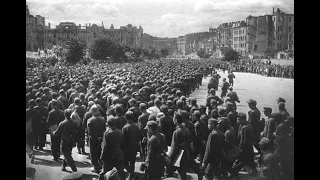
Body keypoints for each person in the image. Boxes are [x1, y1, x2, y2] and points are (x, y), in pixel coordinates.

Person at [231, 112, 258, 177]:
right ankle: (255, 174)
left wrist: (240, 149)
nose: (237, 120)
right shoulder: (243, 125)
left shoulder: (245, 127)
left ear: (242, 119)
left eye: (238, 119)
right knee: (249, 161)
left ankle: (233, 173)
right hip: (248, 148)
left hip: (245, 148)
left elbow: (244, 141)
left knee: (241, 161)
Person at [122, 111, 141, 180]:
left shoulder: (125, 128)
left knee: (124, 162)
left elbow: (123, 139)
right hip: (134, 147)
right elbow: (139, 137)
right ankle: (131, 175)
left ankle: (132, 174)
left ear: (126, 117)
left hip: (127, 148)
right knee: (132, 162)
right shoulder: (136, 126)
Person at [87, 105, 106, 173]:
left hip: (93, 139)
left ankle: (96, 167)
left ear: (92, 111)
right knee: (100, 152)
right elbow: (104, 129)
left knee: (93, 153)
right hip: (101, 139)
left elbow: (90, 132)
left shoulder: (90, 120)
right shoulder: (102, 119)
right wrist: (100, 137)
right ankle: (101, 166)